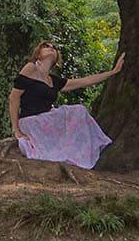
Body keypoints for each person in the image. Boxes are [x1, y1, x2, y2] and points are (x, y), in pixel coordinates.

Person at [7, 41, 124, 169]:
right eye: (46, 46)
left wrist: (113, 72)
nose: (51, 48)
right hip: (32, 123)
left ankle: (81, 153)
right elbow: (14, 98)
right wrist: (16, 130)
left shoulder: (53, 80)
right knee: (46, 153)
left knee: (79, 111)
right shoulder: (31, 68)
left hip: (47, 121)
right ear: (38, 54)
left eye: (54, 47)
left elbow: (85, 81)